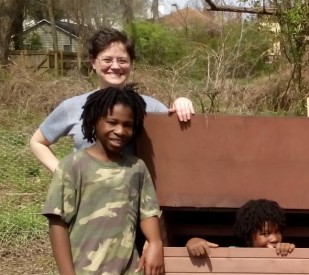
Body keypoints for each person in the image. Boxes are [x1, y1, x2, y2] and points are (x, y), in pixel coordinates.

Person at [42, 85, 165, 275]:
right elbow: (57, 223)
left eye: (128, 125)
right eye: (112, 122)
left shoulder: (136, 168)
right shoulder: (72, 167)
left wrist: (155, 242)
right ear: (94, 120)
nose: (120, 130)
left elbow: (147, 211)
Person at [30, 27, 195, 173]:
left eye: (122, 60)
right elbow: (37, 142)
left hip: (134, 200)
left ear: (131, 64)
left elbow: (177, 140)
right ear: (93, 63)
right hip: (86, 201)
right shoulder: (72, 106)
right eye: (107, 60)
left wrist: (181, 102)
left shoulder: (149, 106)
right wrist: (62, 174)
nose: (115, 66)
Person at [186, 199, 295, 257]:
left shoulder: (282, 252)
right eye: (265, 234)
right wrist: (193, 242)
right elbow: (194, 242)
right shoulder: (233, 253)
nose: (275, 238)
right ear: (248, 238)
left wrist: (287, 251)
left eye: (277, 232)